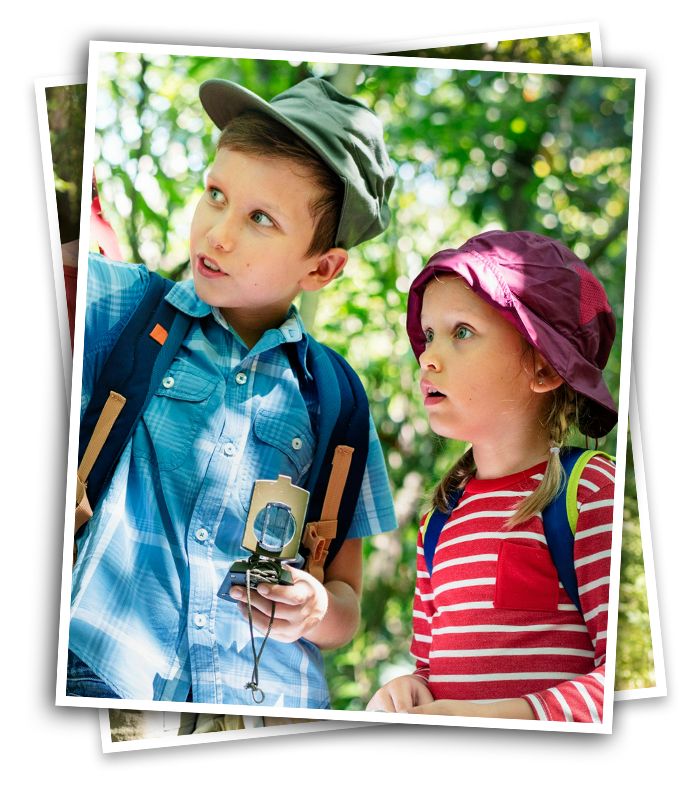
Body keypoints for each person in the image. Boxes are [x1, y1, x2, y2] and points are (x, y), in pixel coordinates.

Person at [68, 75, 397, 708]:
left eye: (260, 219)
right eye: (216, 195)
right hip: (106, 668)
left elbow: (347, 605)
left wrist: (317, 608)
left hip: (267, 705)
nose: (217, 233)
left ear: (321, 268)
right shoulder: (129, 311)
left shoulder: (335, 398)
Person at [367, 230, 617, 723]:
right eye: (429, 334)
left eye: (461, 332)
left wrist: (503, 716)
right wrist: (408, 690)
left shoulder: (588, 492)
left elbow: (623, 685)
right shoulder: (438, 520)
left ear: (544, 368)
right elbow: (429, 670)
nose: (428, 357)